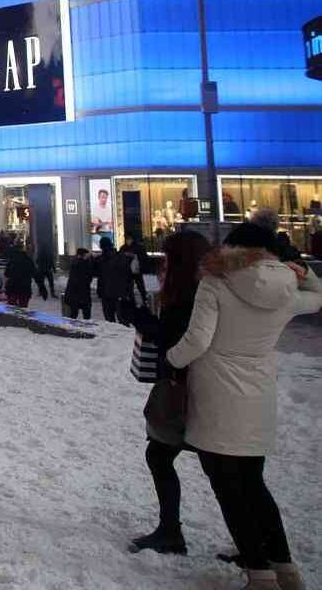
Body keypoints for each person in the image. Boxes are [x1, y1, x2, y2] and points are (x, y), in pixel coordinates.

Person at [166, 216, 322, 590]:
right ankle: (285, 568)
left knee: (227, 487)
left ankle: (259, 573)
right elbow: (317, 299)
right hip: (259, 393)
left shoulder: (215, 283)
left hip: (218, 393)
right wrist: (305, 273)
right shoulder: (284, 287)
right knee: (254, 483)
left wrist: (171, 359)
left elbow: (198, 339)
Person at [127, 230, 209, 556]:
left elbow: (173, 341)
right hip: (199, 387)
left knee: (221, 471)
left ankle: (171, 532)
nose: (163, 264)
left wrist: (142, 320)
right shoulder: (200, 290)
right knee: (223, 471)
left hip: (190, 389)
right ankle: (260, 548)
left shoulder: (192, 295)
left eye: (167, 257)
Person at [94, 235, 134, 322]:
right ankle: (125, 334)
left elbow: (96, 274)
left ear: (102, 246)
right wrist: (128, 292)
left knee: (110, 319)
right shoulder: (121, 257)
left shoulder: (100, 260)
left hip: (106, 293)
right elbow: (129, 276)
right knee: (122, 319)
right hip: (120, 293)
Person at [64, 248, 96, 319]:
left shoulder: (75, 262)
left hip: (74, 293)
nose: (87, 256)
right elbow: (89, 274)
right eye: (86, 255)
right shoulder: (82, 264)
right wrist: (92, 260)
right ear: (82, 255)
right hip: (81, 293)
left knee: (74, 314)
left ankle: (72, 327)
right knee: (85, 314)